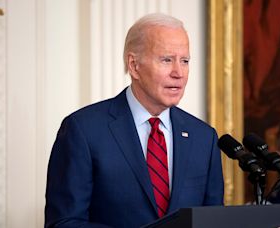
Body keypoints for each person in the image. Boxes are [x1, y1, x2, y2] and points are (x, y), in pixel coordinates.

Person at [45, 13, 224, 228]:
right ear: (134, 65)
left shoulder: (203, 137)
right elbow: (63, 223)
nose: (179, 72)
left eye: (184, 61)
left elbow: (213, 221)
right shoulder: (83, 130)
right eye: (166, 59)